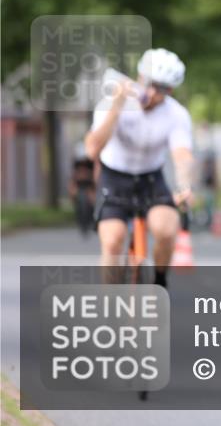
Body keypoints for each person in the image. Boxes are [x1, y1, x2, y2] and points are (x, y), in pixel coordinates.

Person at [85, 48, 194, 288]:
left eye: (162, 89)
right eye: (150, 84)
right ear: (140, 77)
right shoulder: (112, 103)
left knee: (166, 230)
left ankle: (160, 281)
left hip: (150, 178)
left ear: (170, 91)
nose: (153, 93)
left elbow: (182, 154)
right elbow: (93, 149)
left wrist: (184, 185)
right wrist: (116, 107)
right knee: (113, 240)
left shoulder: (176, 114)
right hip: (114, 177)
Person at [68, 142, 96, 237]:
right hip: (79, 184)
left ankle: (92, 217)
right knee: (74, 194)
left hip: (89, 184)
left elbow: (95, 176)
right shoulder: (76, 164)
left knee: (92, 198)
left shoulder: (91, 162)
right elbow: (73, 177)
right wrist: (72, 190)